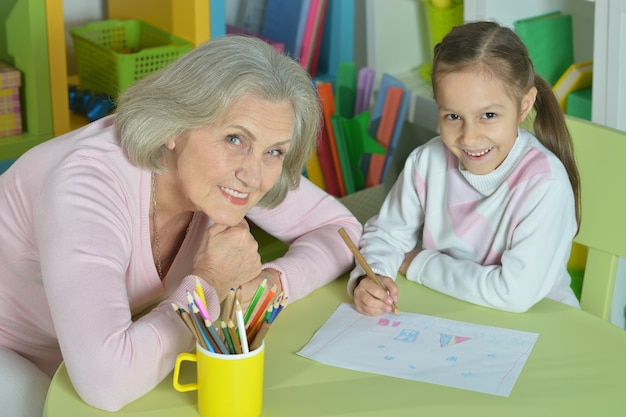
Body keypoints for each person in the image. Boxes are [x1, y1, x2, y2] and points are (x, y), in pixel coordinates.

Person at [0, 35, 362, 415]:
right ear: (174, 127)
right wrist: (208, 284)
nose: (253, 175)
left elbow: (342, 230)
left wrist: (274, 283)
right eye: (234, 138)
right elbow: (106, 383)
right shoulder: (87, 187)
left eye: (274, 151)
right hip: (15, 350)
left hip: (97, 347)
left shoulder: (224, 176)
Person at [348, 21, 581, 317]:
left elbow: (514, 294)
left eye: (488, 115)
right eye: (453, 116)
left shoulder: (546, 185)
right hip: (455, 315)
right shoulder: (428, 161)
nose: (469, 137)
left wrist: (418, 263)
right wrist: (372, 276)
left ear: (524, 105)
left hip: (543, 327)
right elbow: (386, 235)